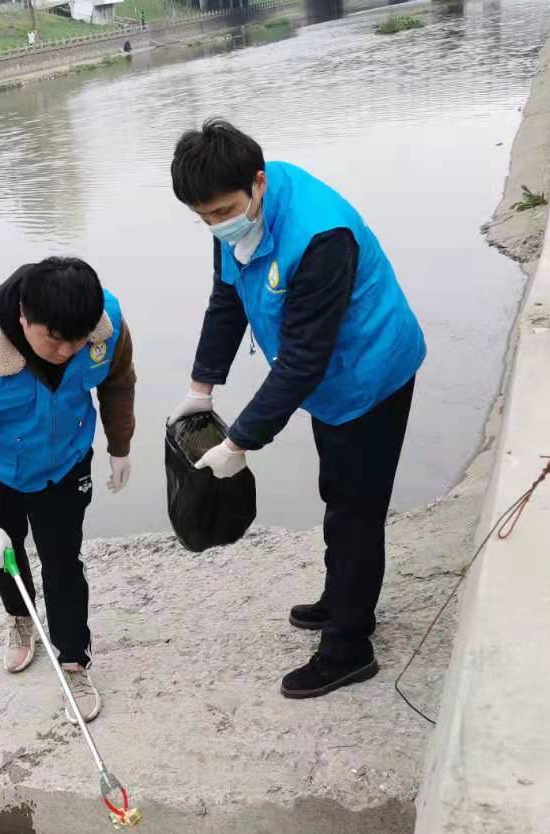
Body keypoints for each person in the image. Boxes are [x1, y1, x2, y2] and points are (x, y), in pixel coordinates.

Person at [169, 119, 426, 700]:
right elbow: (227, 299)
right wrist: (202, 386)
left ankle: (349, 647)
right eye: (203, 217)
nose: (216, 225)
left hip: (369, 375)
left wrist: (240, 443)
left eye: (223, 212)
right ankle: (342, 599)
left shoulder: (319, 234)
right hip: (327, 383)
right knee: (336, 490)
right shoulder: (237, 218)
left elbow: (305, 360)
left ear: (257, 184)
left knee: (357, 510)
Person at [0, 257, 137, 721]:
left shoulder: (106, 322)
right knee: (5, 555)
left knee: (64, 561)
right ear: (24, 319)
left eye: (77, 342)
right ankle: (21, 618)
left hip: (65, 461)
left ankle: (74, 661)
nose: (66, 352)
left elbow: (118, 383)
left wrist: (121, 444)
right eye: (53, 340)